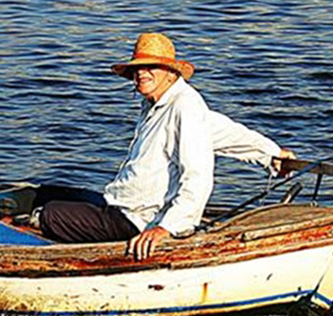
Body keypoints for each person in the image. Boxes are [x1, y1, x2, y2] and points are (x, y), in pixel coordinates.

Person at [38, 32, 294, 260]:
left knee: (50, 214)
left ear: (171, 73)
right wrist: (270, 154)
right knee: (47, 193)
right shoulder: (157, 104)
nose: (141, 73)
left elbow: (198, 176)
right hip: (120, 204)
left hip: (137, 221)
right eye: (138, 68)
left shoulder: (185, 105)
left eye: (151, 67)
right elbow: (223, 130)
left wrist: (165, 229)